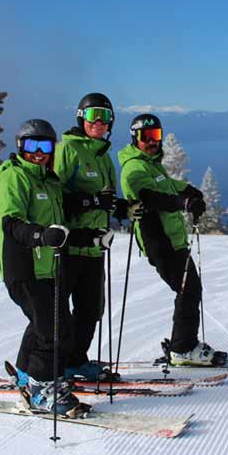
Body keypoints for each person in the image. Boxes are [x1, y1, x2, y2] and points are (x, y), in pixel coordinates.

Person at [0, 119, 110, 415]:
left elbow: (62, 229)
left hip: (47, 267)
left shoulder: (50, 182)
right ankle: (43, 390)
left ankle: (26, 374)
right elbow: (12, 223)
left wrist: (92, 237)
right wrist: (40, 235)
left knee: (48, 323)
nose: (38, 153)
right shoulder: (14, 177)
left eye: (44, 146)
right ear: (20, 147)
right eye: (31, 146)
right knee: (52, 329)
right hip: (23, 266)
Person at [118, 113, 221, 366]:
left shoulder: (152, 164)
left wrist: (188, 191)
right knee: (188, 290)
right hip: (159, 241)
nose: (152, 142)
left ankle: (183, 344)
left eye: (156, 136)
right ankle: (182, 349)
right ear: (135, 138)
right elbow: (151, 196)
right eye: (146, 137)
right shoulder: (134, 167)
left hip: (174, 240)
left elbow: (168, 185)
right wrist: (182, 203)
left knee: (190, 289)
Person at [54, 92, 131, 381]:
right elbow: (55, 195)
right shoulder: (68, 150)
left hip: (96, 248)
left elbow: (106, 198)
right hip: (70, 245)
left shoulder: (103, 156)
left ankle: (75, 361)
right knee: (59, 312)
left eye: (106, 116)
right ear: (80, 118)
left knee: (91, 309)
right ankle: (48, 366)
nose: (99, 122)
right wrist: (90, 202)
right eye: (92, 115)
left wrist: (121, 206)